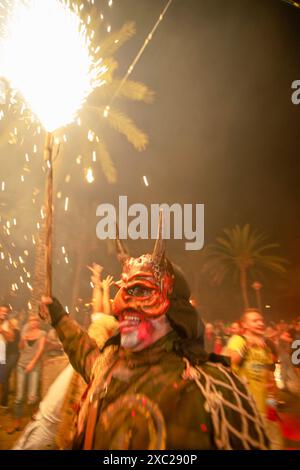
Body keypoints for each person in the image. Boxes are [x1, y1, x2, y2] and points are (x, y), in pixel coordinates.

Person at [40, 217, 269, 450]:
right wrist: (58, 316)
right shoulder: (108, 367)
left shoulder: (215, 390)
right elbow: (84, 352)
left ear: (173, 308)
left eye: (140, 290)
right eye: (122, 290)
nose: (120, 304)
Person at [13, 265, 119, 450]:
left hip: (93, 373)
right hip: (85, 365)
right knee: (49, 418)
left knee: (57, 422)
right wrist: (100, 284)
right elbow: (100, 311)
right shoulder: (106, 324)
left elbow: (101, 311)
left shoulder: (119, 332)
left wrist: (101, 286)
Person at [225, 308, 283, 449]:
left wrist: (272, 405)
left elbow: (270, 379)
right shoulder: (238, 340)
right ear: (244, 325)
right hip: (245, 409)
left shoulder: (265, 347)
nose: (260, 323)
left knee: (275, 444)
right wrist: (247, 346)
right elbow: (229, 362)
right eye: (255, 320)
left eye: (261, 320)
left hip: (265, 409)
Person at [7, 314, 46, 433]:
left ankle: (33, 423)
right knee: (19, 397)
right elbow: (20, 348)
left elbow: (40, 350)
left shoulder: (42, 333)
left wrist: (32, 363)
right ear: (28, 322)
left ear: (38, 322)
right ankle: (17, 422)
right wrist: (23, 339)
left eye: (35, 320)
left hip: (34, 367)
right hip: (21, 365)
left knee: (32, 396)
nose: (33, 322)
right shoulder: (25, 332)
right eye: (31, 320)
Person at [1, 317, 20, 408]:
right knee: (5, 377)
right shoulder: (8, 331)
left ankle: (4, 400)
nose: (10, 324)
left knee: (4, 375)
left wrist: (3, 331)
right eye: (9, 323)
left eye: (11, 323)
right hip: (6, 355)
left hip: (14, 355)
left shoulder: (16, 331)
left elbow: (11, 340)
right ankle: (4, 401)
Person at [0, 304, 15, 407]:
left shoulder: (8, 323)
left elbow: (11, 339)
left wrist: (2, 330)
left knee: (2, 379)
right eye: (2, 311)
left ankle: (3, 402)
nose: (4, 313)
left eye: (6, 311)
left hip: (1, 355)